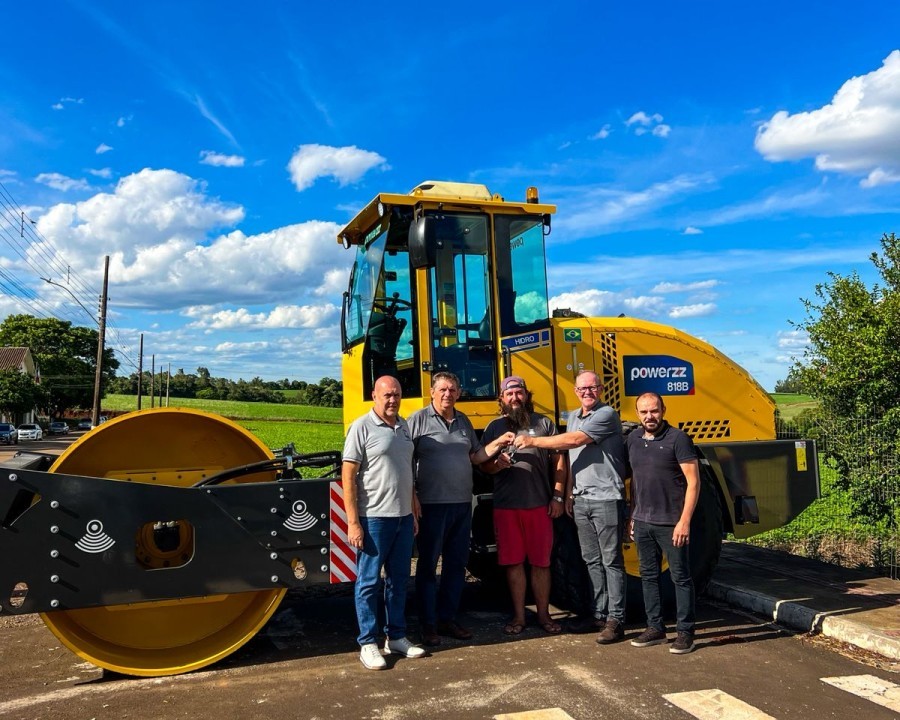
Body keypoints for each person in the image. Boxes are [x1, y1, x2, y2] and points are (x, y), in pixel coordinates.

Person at [514, 370, 627, 644]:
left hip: (606, 497)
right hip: (582, 499)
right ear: (575, 391)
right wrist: (567, 494)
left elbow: (574, 441)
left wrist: (532, 441)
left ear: (600, 389)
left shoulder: (606, 414)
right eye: (581, 388)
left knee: (611, 561)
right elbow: (573, 458)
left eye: (591, 387)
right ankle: (598, 614)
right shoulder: (574, 416)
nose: (586, 392)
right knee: (591, 560)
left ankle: (616, 620)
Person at [408, 372, 514, 646]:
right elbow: (404, 460)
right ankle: (428, 625)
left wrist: (498, 444)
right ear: (432, 392)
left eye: (453, 389)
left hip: (461, 505)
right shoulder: (418, 420)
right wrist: (412, 496)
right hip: (431, 505)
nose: (448, 394)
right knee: (429, 566)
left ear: (459, 392)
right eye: (442, 389)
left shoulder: (464, 420)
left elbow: (476, 456)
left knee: (456, 565)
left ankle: (447, 619)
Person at [342, 375, 425, 670]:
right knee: (367, 582)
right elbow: (348, 476)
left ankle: (397, 637)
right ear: (375, 396)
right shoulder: (361, 427)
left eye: (397, 394)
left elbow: (407, 471)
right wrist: (353, 522)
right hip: (374, 518)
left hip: (403, 518)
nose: (393, 400)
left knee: (399, 581)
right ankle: (368, 642)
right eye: (387, 395)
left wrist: (413, 505)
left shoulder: (403, 427)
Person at [480, 375, 567, 635]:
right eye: (509, 394)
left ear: (526, 396)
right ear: (502, 399)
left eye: (519, 393)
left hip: (540, 505)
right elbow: (483, 465)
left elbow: (559, 463)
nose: (515, 398)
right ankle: (519, 617)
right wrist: (497, 465)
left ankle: (543, 616)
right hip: (506, 507)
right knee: (514, 563)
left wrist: (558, 496)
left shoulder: (544, 423)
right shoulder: (494, 427)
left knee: (542, 563)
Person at [625, 391, 701, 655]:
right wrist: (633, 515)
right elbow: (635, 480)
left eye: (654, 411)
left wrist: (684, 522)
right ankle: (655, 628)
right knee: (648, 576)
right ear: (637, 414)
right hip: (643, 521)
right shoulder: (633, 440)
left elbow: (693, 482)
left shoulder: (678, 439)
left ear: (663, 410)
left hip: (671, 523)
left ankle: (685, 633)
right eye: (644, 412)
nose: (650, 416)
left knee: (680, 577)